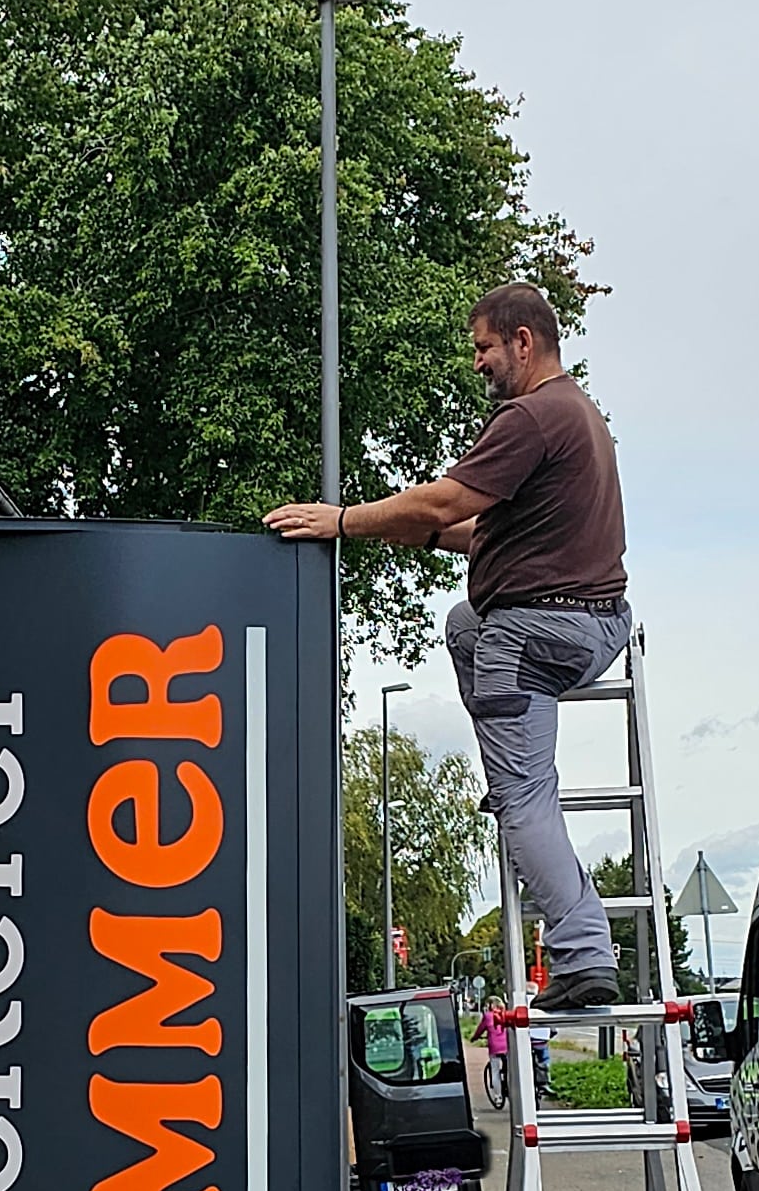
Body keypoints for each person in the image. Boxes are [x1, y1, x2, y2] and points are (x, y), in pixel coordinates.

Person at [265, 283, 630, 1012]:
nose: (478, 364)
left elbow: (445, 502)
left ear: (523, 342)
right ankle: (509, 763)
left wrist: (342, 519)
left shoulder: (531, 416)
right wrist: (412, 527)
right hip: (592, 622)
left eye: (484, 348)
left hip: (537, 631)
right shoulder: (580, 415)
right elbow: (469, 530)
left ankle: (584, 950)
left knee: (525, 799)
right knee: (466, 621)